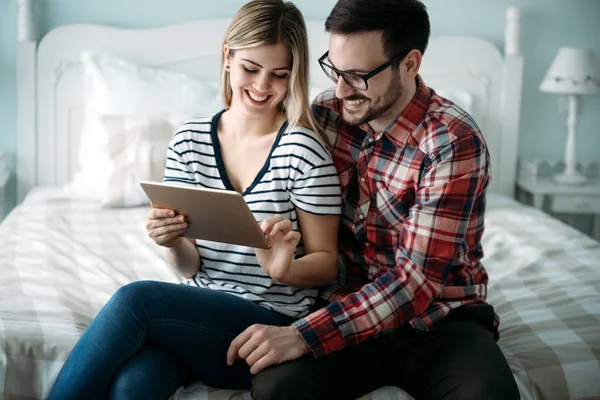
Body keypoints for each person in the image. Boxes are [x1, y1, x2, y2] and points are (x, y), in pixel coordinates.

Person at [226, 1, 521, 399]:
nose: (342, 89)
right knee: (276, 389)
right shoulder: (325, 115)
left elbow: (415, 282)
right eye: (336, 69)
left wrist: (304, 334)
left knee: (488, 394)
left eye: (359, 76)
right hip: (344, 312)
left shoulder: (452, 140)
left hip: (439, 321)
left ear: (410, 64)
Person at [48, 1, 341, 399]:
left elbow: (327, 261)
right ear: (227, 58)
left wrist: (284, 270)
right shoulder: (189, 142)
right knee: (130, 387)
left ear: (294, 77)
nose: (261, 86)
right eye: (250, 69)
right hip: (196, 315)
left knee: (137, 301)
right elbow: (190, 268)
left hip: (266, 326)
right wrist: (171, 242)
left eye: (279, 75)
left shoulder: (302, 150)